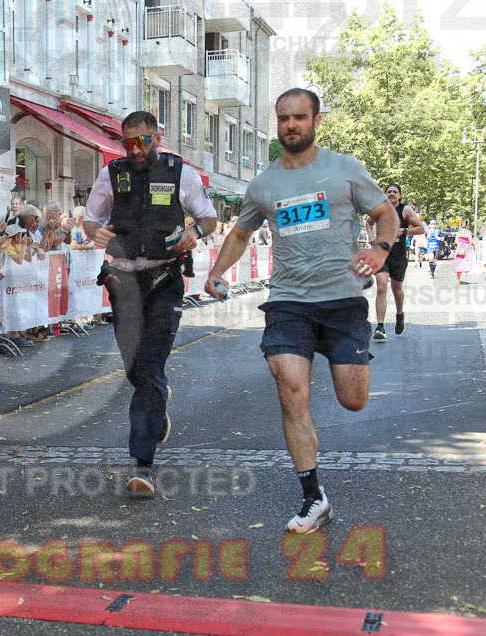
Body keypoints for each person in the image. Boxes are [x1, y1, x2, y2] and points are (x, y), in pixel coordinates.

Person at [204, 88, 397, 533]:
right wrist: (215, 273)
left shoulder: (345, 169)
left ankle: (351, 356)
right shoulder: (264, 183)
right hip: (289, 301)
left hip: (342, 298)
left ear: (316, 121)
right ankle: (314, 497)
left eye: (299, 118)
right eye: (283, 118)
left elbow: (385, 213)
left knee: (353, 400)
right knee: (290, 386)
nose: (291, 125)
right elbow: (239, 233)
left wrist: (382, 249)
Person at [83, 110, 217, 496]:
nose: (135, 148)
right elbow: (89, 221)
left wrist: (193, 232)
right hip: (123, 280)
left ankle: (143, 464)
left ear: (157, 138)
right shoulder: (112, 173)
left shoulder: (181, 174)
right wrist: (96, 230)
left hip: (165, 280)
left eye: (142, 140)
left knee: (152, 363)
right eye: (128, 142)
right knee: (135, 367)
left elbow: (208, 218)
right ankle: (156, 398)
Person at [365, 184, 424, 339]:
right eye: (388, 191)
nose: (391, 194)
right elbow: (368, 222)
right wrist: (370, 236)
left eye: (394, 192)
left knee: (396, 289)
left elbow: (420, 228)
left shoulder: (406, 210)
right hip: (381, 253)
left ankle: (399, 315)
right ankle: (380, 326)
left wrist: (404, 231)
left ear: (399, 196)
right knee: (381, 287)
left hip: (398, 255)